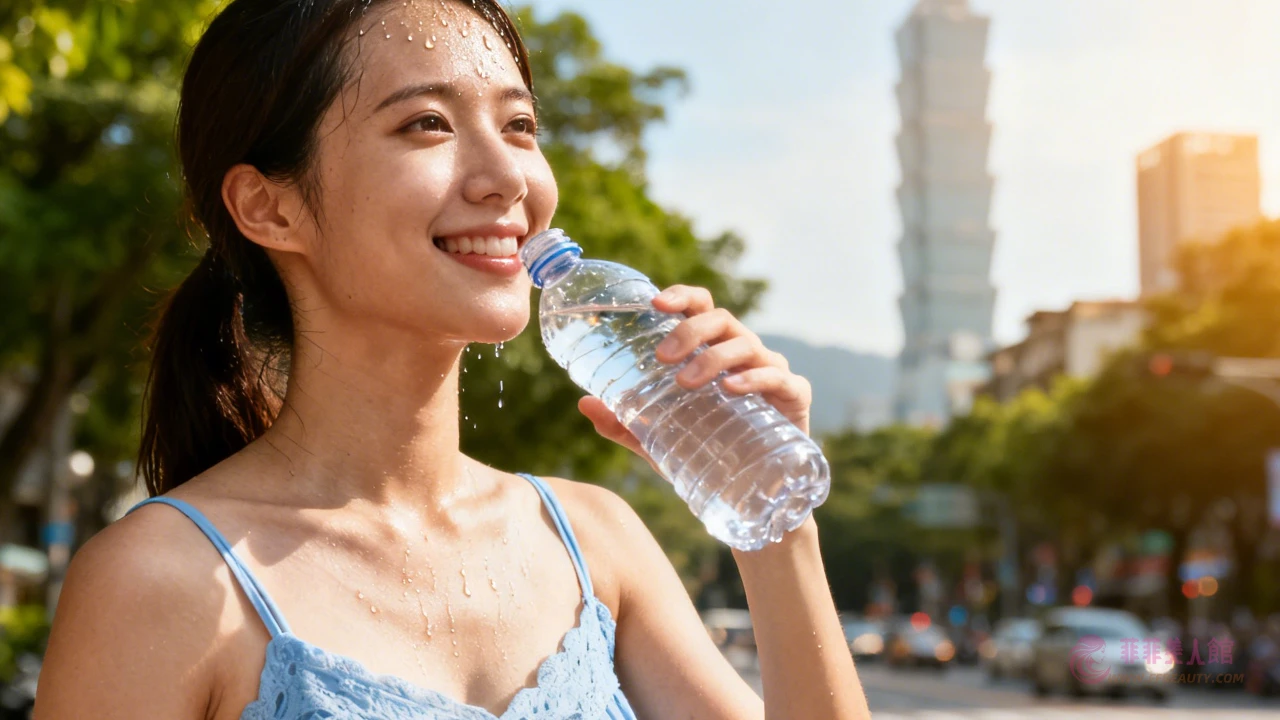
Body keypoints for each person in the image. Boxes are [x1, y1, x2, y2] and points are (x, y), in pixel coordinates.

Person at [33, 0, 870, 718]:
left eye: (520, 126)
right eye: (426, 123)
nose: (507, 176)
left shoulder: (595, 542)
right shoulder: (158, 580)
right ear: (269, 207)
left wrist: (771, 513)